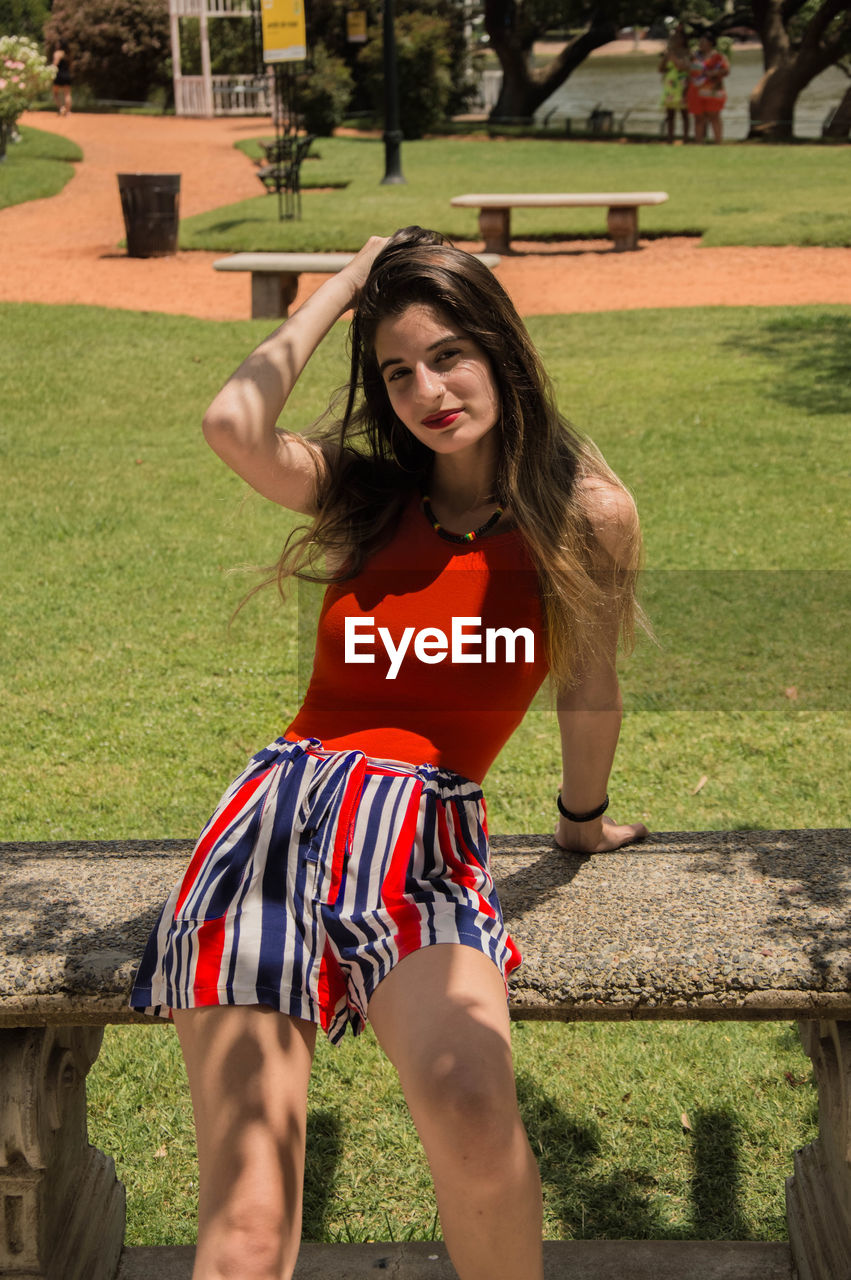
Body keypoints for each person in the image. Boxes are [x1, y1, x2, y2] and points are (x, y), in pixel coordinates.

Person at [130, 227, 649, 1280]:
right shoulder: (367, 497)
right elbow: (232, 422)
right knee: (243, 1224)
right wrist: (344, 286)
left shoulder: (585, 515)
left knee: (469, 1104)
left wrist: (577, 815)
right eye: (397, 370)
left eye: (449, 352)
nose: (428, 389)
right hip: (269, 832)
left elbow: (587, 683)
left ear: (503, 346)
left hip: (421, 839)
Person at [687, 33, 730, 143]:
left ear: (710, 43)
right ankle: (698, 143)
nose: (700, 44)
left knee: (714, 117)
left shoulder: (719, 57)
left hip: (713, 91)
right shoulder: (694, 57)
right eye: (699, 42)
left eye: (703, 42)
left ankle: (718, 142)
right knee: (698, 118)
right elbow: (688, 73)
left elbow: (726, 70)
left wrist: (714, 72)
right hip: (696, 91)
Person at [658, 24, 691, 144]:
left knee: (685, 115)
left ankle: (686, 139)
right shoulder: (668, 53)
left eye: (677, 38)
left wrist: (673, 58)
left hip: (683, 85)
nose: (674, 40)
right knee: (670, 115)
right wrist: (666, 58)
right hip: (670, 86)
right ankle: (670, 139)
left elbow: (685, 68)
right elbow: (660, 69)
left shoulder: (687, 53)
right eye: (673, 38)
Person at [51, 47, 72, 116]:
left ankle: (61, 108)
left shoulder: (58, 53)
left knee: (55, 93)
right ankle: (68, 111)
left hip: (59, 75)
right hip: (67, 74)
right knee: (67, 94)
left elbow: (55, 64)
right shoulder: (68, 54)